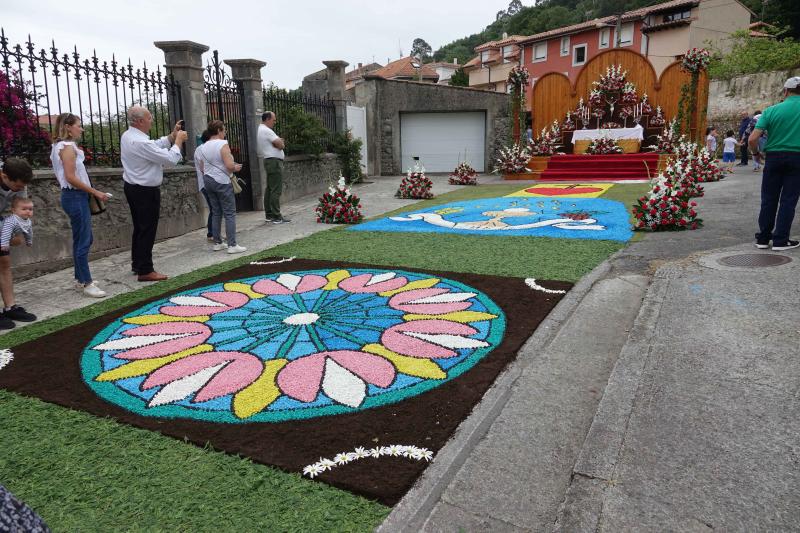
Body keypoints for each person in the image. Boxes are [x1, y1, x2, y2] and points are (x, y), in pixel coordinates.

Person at [120, 105, 187, 281]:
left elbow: (154, 146)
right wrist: (178, 141)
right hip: (144, 190)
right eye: (149, 118)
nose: (152, 120)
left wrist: (171, 137)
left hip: (133, 187)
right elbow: (171, 159)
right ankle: (145, 270)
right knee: (147, 229)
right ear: (140, 121)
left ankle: (138, 263)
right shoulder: (140, 141)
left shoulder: (129, 136)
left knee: (140, 228)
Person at [50, 112, 110, 298]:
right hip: (75, 197)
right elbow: (70, 177)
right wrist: (95, 192)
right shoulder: (66, 147)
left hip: (75, 197)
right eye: (78, 125)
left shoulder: (62, 146)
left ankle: (80, 278)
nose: (81, 128)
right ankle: (86, 282)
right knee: (83, 241)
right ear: (68, 127)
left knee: (83, 239)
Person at [750, 76, 800, 251]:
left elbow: (753, 138)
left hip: (773, 157)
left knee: (769, 198)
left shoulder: (771, 110)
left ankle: (763, 239)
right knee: (788, 200)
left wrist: (756, 153)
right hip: (797, 158)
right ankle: (780, 240)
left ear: (785, 91)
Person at [196, 120, 246, 254]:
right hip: (221, 181)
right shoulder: (223, 144)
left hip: (208, 181)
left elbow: (201, 167)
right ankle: (232, 245)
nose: (225, 133)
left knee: (216, 212)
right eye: (224, 130)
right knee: (229, 213)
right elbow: (229, 166)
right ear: (218, 130)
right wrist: (236, 167)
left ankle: (218, 242)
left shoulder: (203, 146)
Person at [0, 158, 37, 329]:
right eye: (18, 186)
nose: (21, 190)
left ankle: (10, 307)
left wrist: (19, 233)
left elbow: (19, 211)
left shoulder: (20, 183)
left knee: (4, 263)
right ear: (4, 176)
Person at [256, 111, 289, 224]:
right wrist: (280, 143)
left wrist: (278, 142)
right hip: (274, 162)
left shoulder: (261, 130)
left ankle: (269, 215)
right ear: (267, 119)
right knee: (276, 189)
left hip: (269, 161)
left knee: (270, 189)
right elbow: (280, 144)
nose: (274, 122)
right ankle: (276, 216)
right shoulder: (266, 130)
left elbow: (278, 142)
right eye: (273, 120)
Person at [193, 130, 214, 242]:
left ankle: (213, 232)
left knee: (214, 208)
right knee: (214, 208)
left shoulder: (201, 149)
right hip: (206, 183)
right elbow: (203, 168)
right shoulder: (202, 149)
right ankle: (211, 233)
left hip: (206, 183)